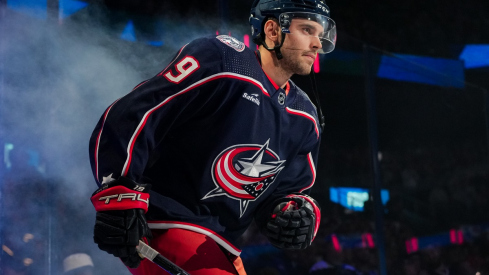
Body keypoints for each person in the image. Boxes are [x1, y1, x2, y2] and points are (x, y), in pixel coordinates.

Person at [88, 0, 336, 274]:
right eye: (307, 30)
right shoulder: (224, 59)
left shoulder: (305, 116)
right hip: (167, 223)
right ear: (272, 30)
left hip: (222, 246)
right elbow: (135, 114)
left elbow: (287, 191)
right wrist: (117, 192)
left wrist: (294, 214)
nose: (317, 43)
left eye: (320, 33)